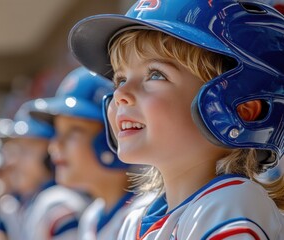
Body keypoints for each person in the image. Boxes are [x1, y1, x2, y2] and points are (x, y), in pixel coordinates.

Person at [69, 0, 284, 239]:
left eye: (155, 74)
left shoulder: (231, 205)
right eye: (120, 79)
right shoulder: (135, 219)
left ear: (242, 108)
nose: (120, 94)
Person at [30, 66, 155, 240]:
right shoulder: (93, 216)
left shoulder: (150, 215)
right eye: (57, 132)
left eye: (73, 131)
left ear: (110, 136)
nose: (55, 145)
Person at [0, 100, 90, 240]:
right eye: (14, 151)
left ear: (49, 156)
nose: (12, 162)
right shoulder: (28, 201)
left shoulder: (59, 204)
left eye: (25, 151)